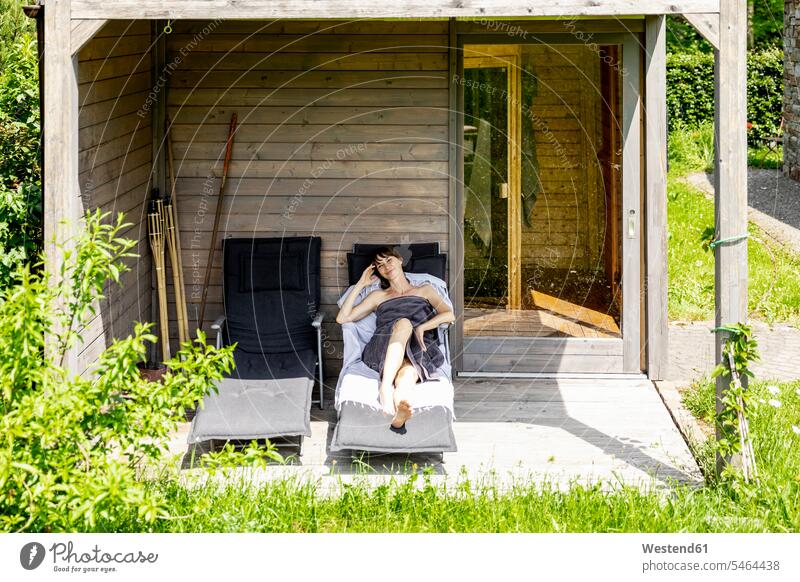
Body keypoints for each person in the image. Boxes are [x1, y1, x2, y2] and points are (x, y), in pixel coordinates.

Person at [336, 246, 455, 430]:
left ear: (400, 260)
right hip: (383, 345)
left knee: (408, 373)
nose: (386, 267)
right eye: (380, 265)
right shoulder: (378, 296)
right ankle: (385, 388)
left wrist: (424, 326)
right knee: (405, 323)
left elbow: (449, 315)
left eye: (389, 260)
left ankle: (400, 411)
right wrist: (361, 284)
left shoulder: (425, 290)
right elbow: (342, 318)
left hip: (418, 347)